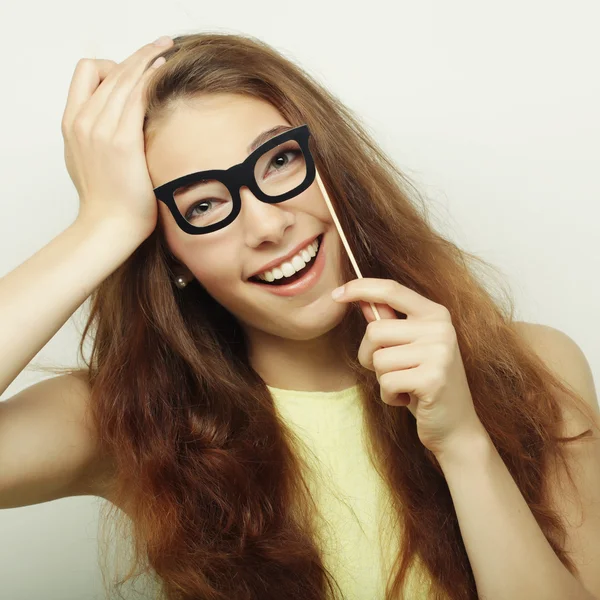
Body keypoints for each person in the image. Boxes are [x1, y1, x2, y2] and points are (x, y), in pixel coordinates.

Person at [0, 31, 598, 600]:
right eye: (203, 204)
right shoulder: (130, 420)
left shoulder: (538, 366)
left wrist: (464, 443)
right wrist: (102, 226)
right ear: (168, 253)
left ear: (331, 162)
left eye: (279, 162)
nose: (268, 224)